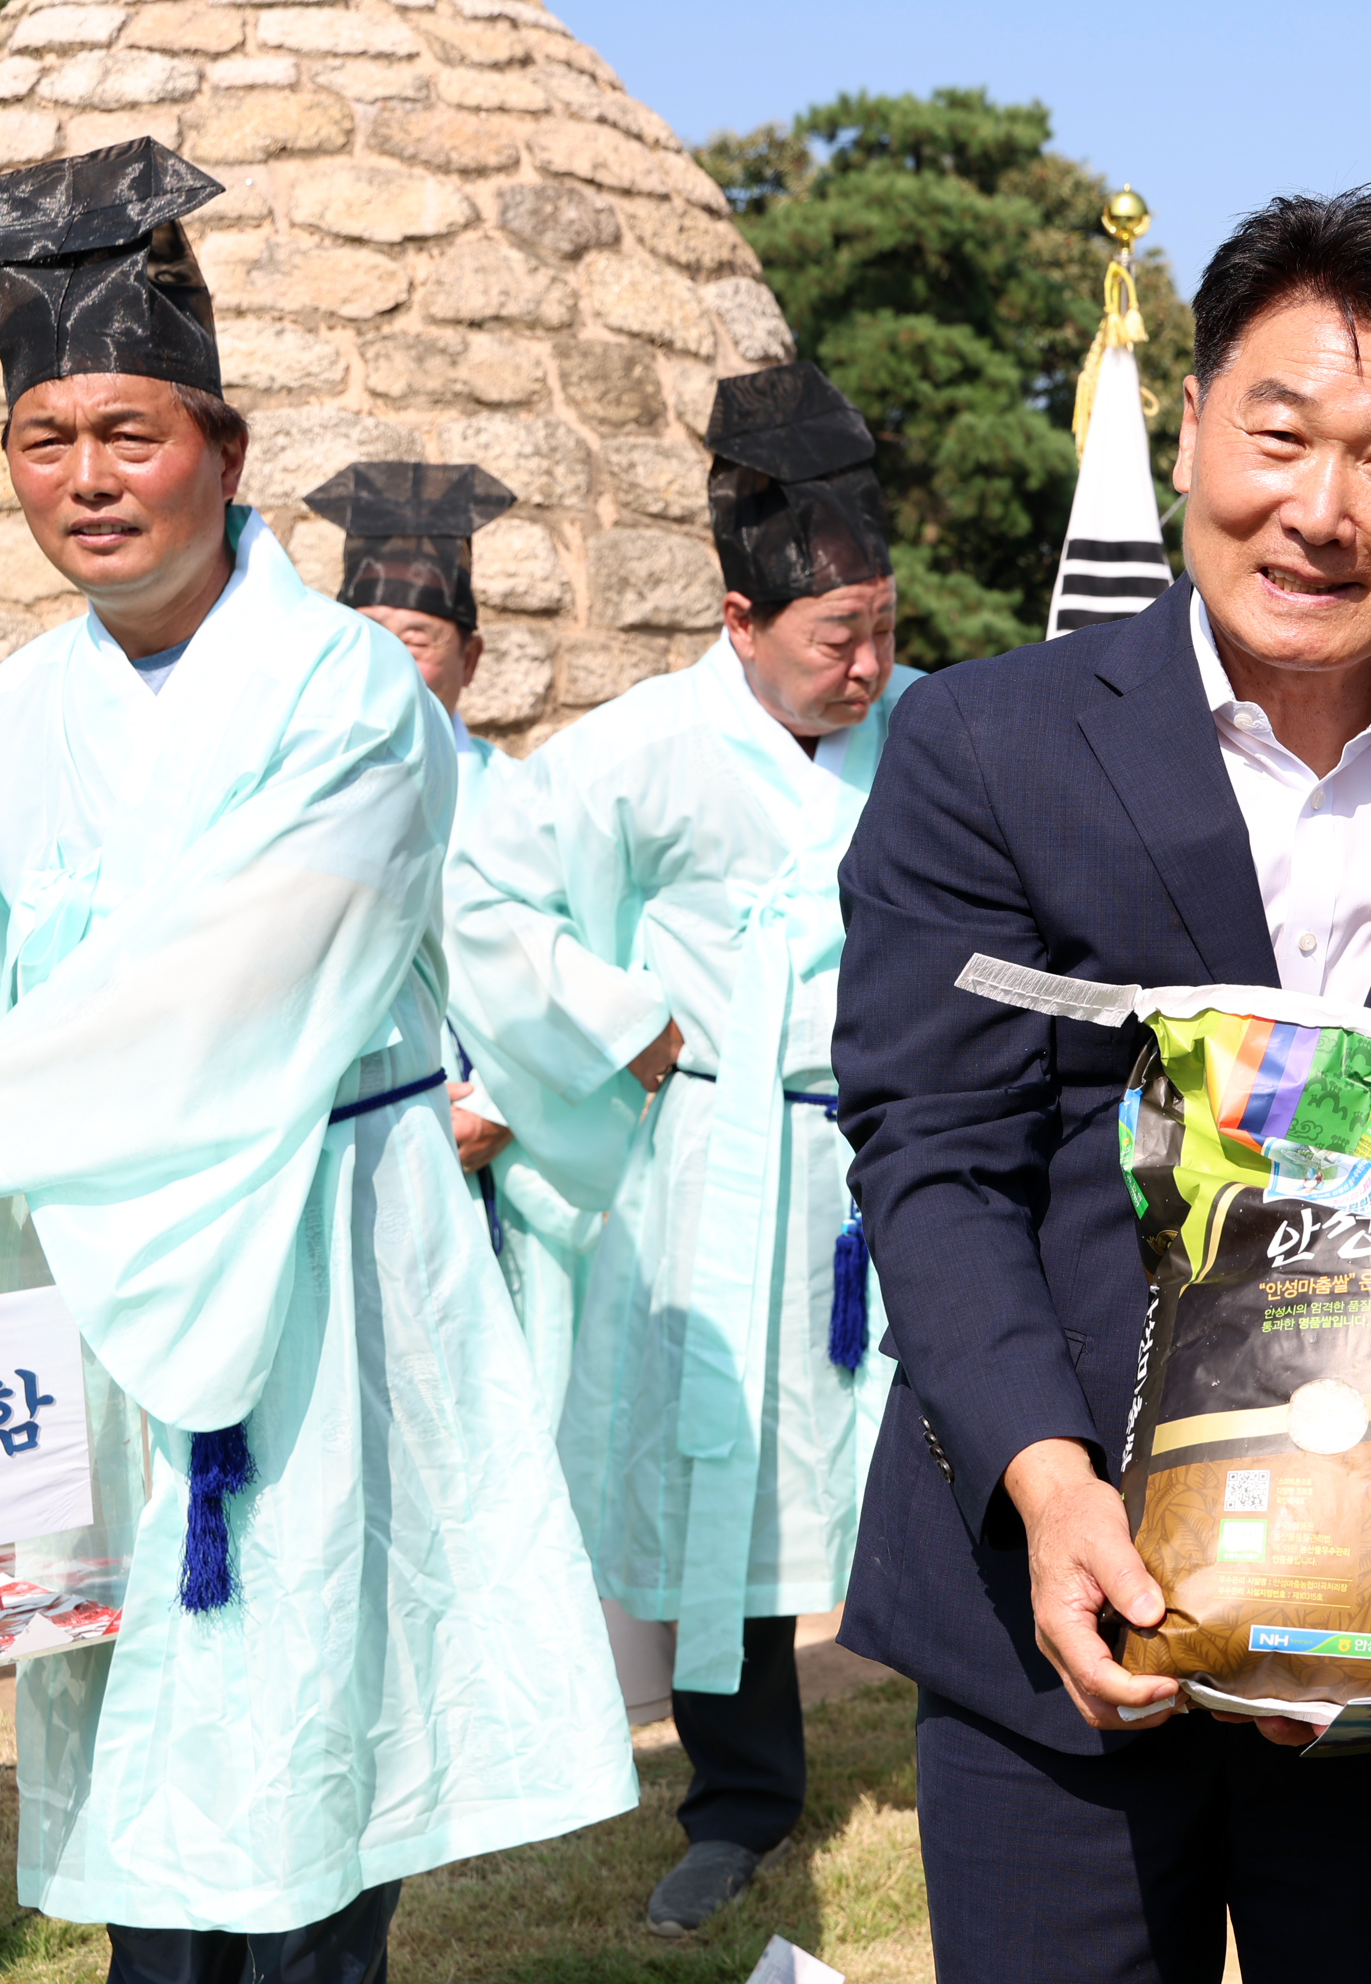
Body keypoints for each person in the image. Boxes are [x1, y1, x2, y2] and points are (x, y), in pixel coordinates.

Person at [832, 188, 1371, 1982]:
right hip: (1058, 1614)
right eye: (1276, 432)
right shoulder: (986, 747)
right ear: (1191, 424)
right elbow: (939, 1151)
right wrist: (1054, 1494)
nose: (1318, 507)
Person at [0, 138, 635, 1975]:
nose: (89, 481)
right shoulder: (7, 724)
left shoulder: (344, 694)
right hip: (79, 1290)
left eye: (132, 432)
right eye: (46, 437)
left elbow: (228, 1001)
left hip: (318, 1259)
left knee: (313, 1712)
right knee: (126, 1762)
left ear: (226, 448)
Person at [445, 358, 912, 1936]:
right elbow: (489, 897)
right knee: (735, 1468)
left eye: (884, 627)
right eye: (835, 638)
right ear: (738, 622)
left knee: (939, 1447)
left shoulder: (931, 733)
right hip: (720, 1160)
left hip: (899, 1152)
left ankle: (986, 1745)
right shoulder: (639, 746)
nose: (868, 663)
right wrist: (612, 1011)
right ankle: (739, 1793)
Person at [305, 460, 594, 1424]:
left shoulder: (531, 803)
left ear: (470, 659)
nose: (391, 662)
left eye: (417, 640)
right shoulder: (302, 808)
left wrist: (507, 1103)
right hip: (352, 1149)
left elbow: (602, 966)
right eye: (367, 639)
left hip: (514, 1172)